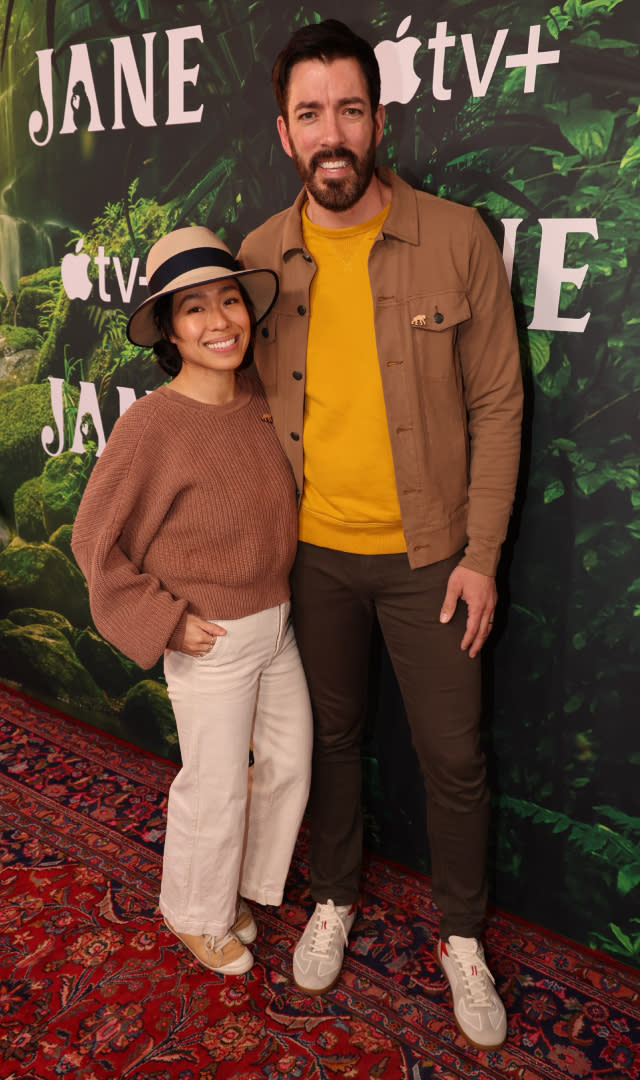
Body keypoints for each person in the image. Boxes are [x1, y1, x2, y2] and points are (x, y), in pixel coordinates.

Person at [238, 19, 523, 1048]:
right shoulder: (260, 256)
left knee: (453, 757)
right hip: (311, 558)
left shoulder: (455, 239)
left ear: (378, 119)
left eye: (348, 109)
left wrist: (481, 556)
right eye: (310, 112)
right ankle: (334, 898)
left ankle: (460, 940)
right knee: (334, 741)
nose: (332, 132)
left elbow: (497, 405)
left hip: (430, 560)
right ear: (283, 132)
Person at [72, 226, 313, 977]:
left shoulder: (263, 402)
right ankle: (193, 913)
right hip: (210, 636)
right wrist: (164, 620)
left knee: (288, 763)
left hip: (277, 622)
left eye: (229, 301)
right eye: (194, 310)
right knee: (212, 784)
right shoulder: (152, 424)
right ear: (170, 332)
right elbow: (91, 538)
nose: (219, 322)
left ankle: (235, 887)